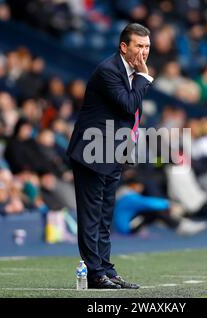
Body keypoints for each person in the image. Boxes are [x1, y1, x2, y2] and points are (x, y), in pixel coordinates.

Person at [66, 23, 153, 289]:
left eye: (147, 47)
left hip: (111, 152)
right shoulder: (108, 70)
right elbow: (128, 105)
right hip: (91, 153)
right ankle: (95, 274)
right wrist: (144, 77)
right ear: (124, 47)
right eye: (139, 46)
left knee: (105, 216)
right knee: (92, 216)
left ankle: (105, 268)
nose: (144, 52)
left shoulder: (127, 72)